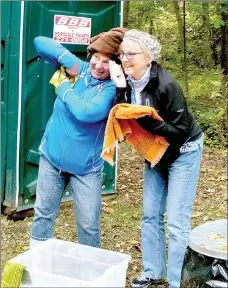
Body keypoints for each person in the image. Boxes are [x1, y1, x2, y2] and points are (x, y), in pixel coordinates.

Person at [109, 29, 203, 288]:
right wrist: (119, 89)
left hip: (183, 151)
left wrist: (148, 121)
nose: (125, 59)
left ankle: (176, 281)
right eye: (122, 54)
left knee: (176, 221)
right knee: (150, 214)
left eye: (131, 54)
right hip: (155, 152)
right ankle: (152, 271)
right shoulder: (126, 80)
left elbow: (180, 131)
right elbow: (122, 111)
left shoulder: (166, 85)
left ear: (148, 57)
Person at [30, 27, 128, 249]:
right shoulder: (78, 69)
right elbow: (40, 40)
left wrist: (63, 87)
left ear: (115, 67)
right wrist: (65, 58)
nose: (98, 65)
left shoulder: (112, 90)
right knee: (43, 216)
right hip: (51, 159)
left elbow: (86, 113)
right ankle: (35, 264)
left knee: (88, 225)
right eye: (96, 58)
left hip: (86, 169)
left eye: (106, 62)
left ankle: (89, 272)